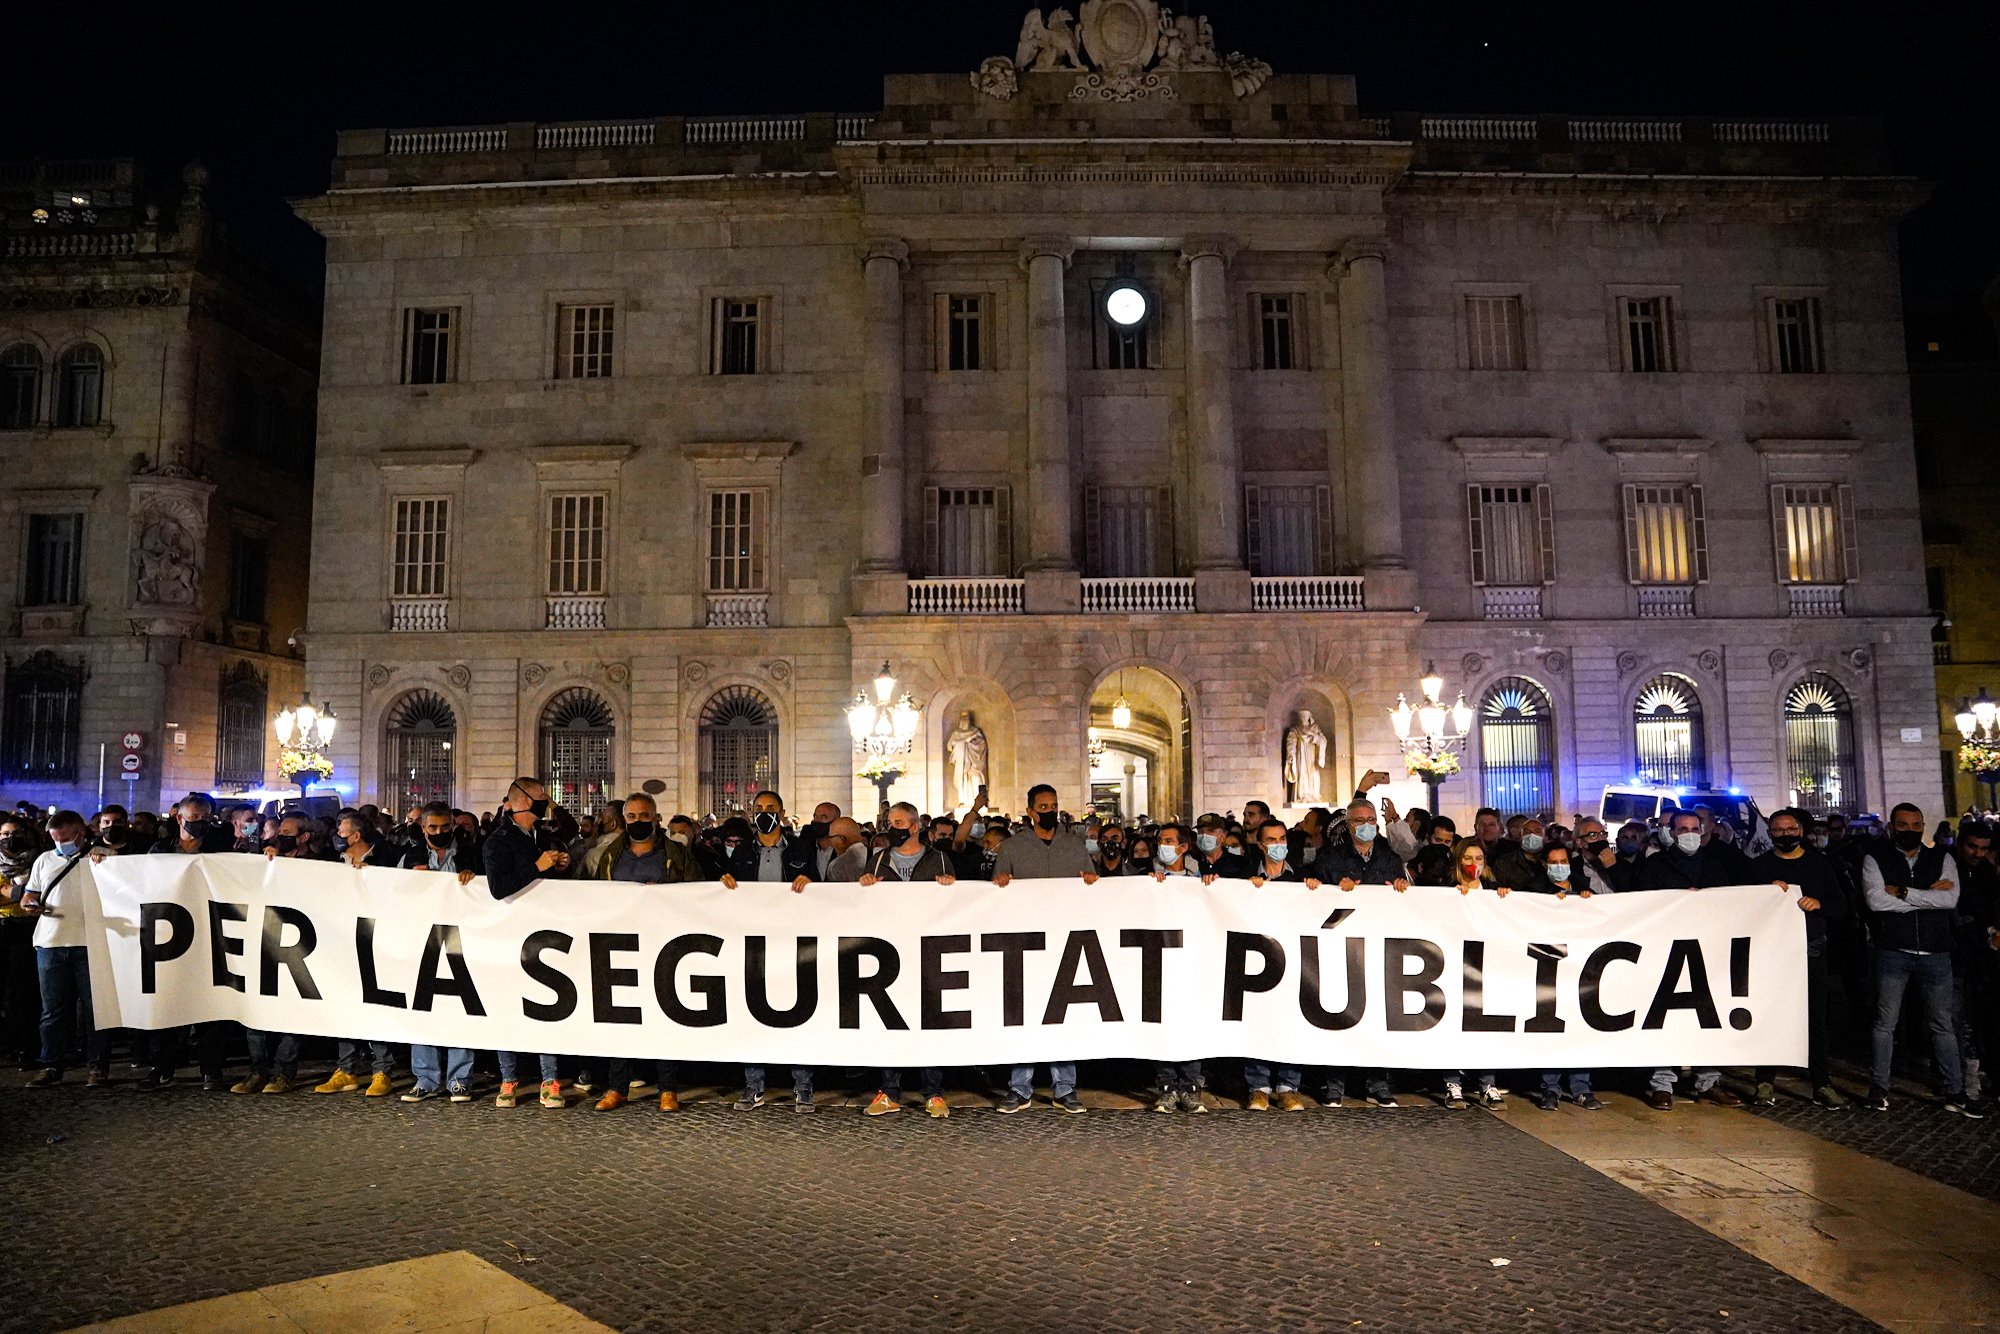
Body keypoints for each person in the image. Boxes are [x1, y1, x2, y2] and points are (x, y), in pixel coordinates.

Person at [1860, 803, 1980, 1117]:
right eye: (1903, 824)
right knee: (1885, 1024)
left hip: (1936, 952)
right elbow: (1875, 901)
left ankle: (1955, 1091)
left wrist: (1901, 892)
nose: (1910, 830)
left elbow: (1949, 899)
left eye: (1916, 825)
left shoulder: (1942, 857)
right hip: (1893, 950)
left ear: (1923, 826)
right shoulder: (1876, 858)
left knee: (1942, 1026)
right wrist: (1926, 897)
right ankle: (1878, 1088)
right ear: (1891, 826)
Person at [1631, 810, 1750, 1110]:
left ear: (1704, 830)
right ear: (1671, 832)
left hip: (1707, 951)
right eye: (1682, 828)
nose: (1689, 834)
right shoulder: (1655, 865)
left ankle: (1708, 1082)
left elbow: (1730, 902)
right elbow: (1644, 904)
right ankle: (1662, 1084)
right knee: (1667, 1017)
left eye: (1694, 828)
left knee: (1707, 1017)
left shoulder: (1714, 864)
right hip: (1667, 950)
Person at [592, 792, 701, 1112]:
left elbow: (696, 892)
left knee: (664, 1015)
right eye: (631, 817)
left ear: (656, 818)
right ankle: (618, 1087)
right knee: (622, 1016)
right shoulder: (610, 856)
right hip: (620, 945)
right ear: (624, 820)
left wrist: (666, 896)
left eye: (643, 816)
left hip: (663, 943)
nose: (637, 822)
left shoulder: (677, 855)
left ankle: (668, 1088)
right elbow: (594, 895)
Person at [992, 783, 1097, 1115]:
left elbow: (1094, 887)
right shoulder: (1011, 847)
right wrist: (1002, 884)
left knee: (1061, 1016)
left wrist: (1091, 883)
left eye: (1053, 805)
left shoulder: (1075, 846)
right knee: (1024, 1015)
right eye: (1043, 806)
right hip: (1025, 944)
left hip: (1067, 942)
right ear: (1030, 811)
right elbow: (996, 893)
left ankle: (1064, 1087)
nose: (1049, 811)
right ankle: (1019, 1087)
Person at [718, 791, 818, 1112]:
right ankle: (754, 1086)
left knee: (798, 1014)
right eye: (759, 809)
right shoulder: (743, 850)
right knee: (753, 1013)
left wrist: (810, 881)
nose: (764, 813)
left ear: (782, 813)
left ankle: (803, 1087)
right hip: (754, 944)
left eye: (770, 808)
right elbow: (733, 886)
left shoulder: (801, 848)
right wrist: (726, 881)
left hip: (794, 941)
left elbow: (819, 884)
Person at [854, 803, 954, 1119]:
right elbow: (862, 906)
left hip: (928, 954)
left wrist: (950, 888)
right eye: (888, 821)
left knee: (929, 1020)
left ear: (914, 826)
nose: (891, 826)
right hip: (890, 954)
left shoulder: (938, 858)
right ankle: (888, 1091)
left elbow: (959, 908)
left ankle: (933, 1092)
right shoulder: (879, 860)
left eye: (897, 822)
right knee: (891, 1021)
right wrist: (865, 887)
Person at [1749, 807, 1849, 1109]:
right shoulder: (1758, 868)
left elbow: (1840, 905)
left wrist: (1819, 903)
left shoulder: (1820, 865)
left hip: (1811, 951)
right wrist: (1763, 894)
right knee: (1769, 1018)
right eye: (1778, 830)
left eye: (1790, 829)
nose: (1785, 835)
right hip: (1771, 955)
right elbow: (1742, 906)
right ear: (1769, 834)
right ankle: (1764, 1082)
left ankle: (1821, 1084)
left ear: (1801, 832)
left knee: (1815, 1020)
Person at [483, 778, 570, 1110]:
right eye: (540, 799)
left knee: (546, 1005)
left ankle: (550, 1080)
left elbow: (552, 880)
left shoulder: (543, 836)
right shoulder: (498, 841)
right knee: (508, 1007)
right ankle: (509, 1079)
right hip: (509, 935)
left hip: (543, 934)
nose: (545, 804)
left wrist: (559, 866)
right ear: (521, 802)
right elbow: (499, 887)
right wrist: (538, 866)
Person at [19, 811, 109, 1088]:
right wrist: (29, 904)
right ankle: (52, 1065)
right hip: (50, 942)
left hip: (91, 944)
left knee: (96, 1011)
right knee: (53, 1011)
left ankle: (97, 1067)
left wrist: (104, 858)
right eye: (55, 839)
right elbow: (30, 894)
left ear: (81, 833)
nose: (60, 845)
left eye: (66, 839)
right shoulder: (44, 860)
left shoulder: (103, 857)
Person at [399, 802, 479, 1103]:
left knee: (461, 1007)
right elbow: (389, 892)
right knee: (423, 1008)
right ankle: (426, 1079)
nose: (439, 832)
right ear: (423, 829)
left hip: (461, 940)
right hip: (423, 941)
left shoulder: (472, 855)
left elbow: (489, 893)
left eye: (445, 827)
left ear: (453, 826)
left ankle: (460, 1079)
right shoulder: (411, 857)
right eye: (432, 828)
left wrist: (475, 880)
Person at [235, 815, 318, 1095]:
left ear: (304, 837)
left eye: (286, 833)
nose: (279, 837)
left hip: (300, 947)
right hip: (263, 940)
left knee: (292, 1012)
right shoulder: (267, 860)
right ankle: (258, 1069)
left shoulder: (321, 865)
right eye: (279, 832)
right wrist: (266, 864)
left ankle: (284, 1071)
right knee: (256, 1009)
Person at [1522, 844, 1604, 1110]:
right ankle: (1551, 1089)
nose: (1559, 866)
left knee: (1580, 1027)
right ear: (1545, 865)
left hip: (1581, 968)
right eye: (1553, 862)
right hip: (1549, 968)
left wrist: (1585, 900)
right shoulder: (1535, 891)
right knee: (1552, 1028)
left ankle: (1582, 1087)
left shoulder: (1584, 887)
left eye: (1563, 860)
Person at [1244, 818, 1310, 1110]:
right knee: (1258, 1020)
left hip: (1294, 959)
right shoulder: (1245, 876)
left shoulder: (1302, 878)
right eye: (1271, 840)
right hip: (1257, 960)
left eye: (1282, 839)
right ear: (1260, 845)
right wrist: (1246, 889)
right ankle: (1258, 1086)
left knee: (1291, 1020)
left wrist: (1316, 890)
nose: (1278, 845)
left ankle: (1288, 1086)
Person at [1146, 823, 1208, 1113]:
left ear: (1184, 847)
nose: (1163, 845)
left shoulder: (1201, 878)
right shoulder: (1149, 878)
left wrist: (1213, 887)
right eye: (1161, 841)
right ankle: (1168, 1086)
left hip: (1194, 962)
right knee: (1164, 1021)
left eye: (1169, 841)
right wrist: (1148, 886)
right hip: (1162, 962)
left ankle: (1191, 1086)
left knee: (1193, 1023)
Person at [1439, 841, 1504, 1109]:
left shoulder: (1493, 891)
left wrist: (1505, 898)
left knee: (1485, 1026)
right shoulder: (1446, 892)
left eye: (1478, 858)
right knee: (1454, 1023)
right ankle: (1453, 1083)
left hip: (1486, 968)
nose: (1473, 863)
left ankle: (1487, 1084)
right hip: (1454, 968)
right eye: (1467, 857)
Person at [1954, 822, 1997, 1105]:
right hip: (1956, 955)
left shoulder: (1987, 874)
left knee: (1983, 1018)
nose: (1977, 853)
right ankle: (1964, 1080)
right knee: (1958, 1020)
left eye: (1983, 848)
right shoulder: (1949, 867)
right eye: (1972, 847)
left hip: (1983, 958)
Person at [1309, 798, 1410, 891]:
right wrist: (1317, 885)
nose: (1366, 824)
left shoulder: (1391, 859)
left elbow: (1404, 893)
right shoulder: (1330, 858)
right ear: (1348, 825)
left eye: (1371, 820)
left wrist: (1402, 885)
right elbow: (1318, 891)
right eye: (1359, 820)